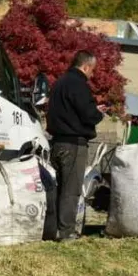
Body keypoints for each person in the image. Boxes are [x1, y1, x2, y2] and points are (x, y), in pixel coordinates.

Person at [46, 51, 104, 242]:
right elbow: (88, 115)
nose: (92, 75)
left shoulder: (58, 84)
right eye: (92, 70)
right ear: (86, 66)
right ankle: (67, 232)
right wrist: (98, 113)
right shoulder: (79, 85)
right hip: (74, 144)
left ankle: (52, 230)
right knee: (71, 190)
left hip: (56, 142)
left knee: (58, 189)